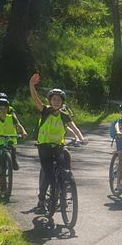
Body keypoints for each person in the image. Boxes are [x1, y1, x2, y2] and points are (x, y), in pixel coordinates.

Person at [29, 74, 85, 211]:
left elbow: (74, 128)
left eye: (59, 100)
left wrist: (81, 138)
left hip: (58, 146)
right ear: (50, 100)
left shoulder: (64, 116)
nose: (56, 102)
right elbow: (36, 100)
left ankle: (65, 187)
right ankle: (41, 200)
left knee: (66, 159)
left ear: (62, 102)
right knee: (48, 176)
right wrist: (31, 84)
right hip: (44, 147)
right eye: (54, 99)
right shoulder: (45, 111)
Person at [0, 93, 27, 185]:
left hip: (9, 137)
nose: (3, 109)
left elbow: (16, 122)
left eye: (5, 107)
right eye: (1, 108)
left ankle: (13, 161)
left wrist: (22, 131)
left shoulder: (10, 111)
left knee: (12, 148)